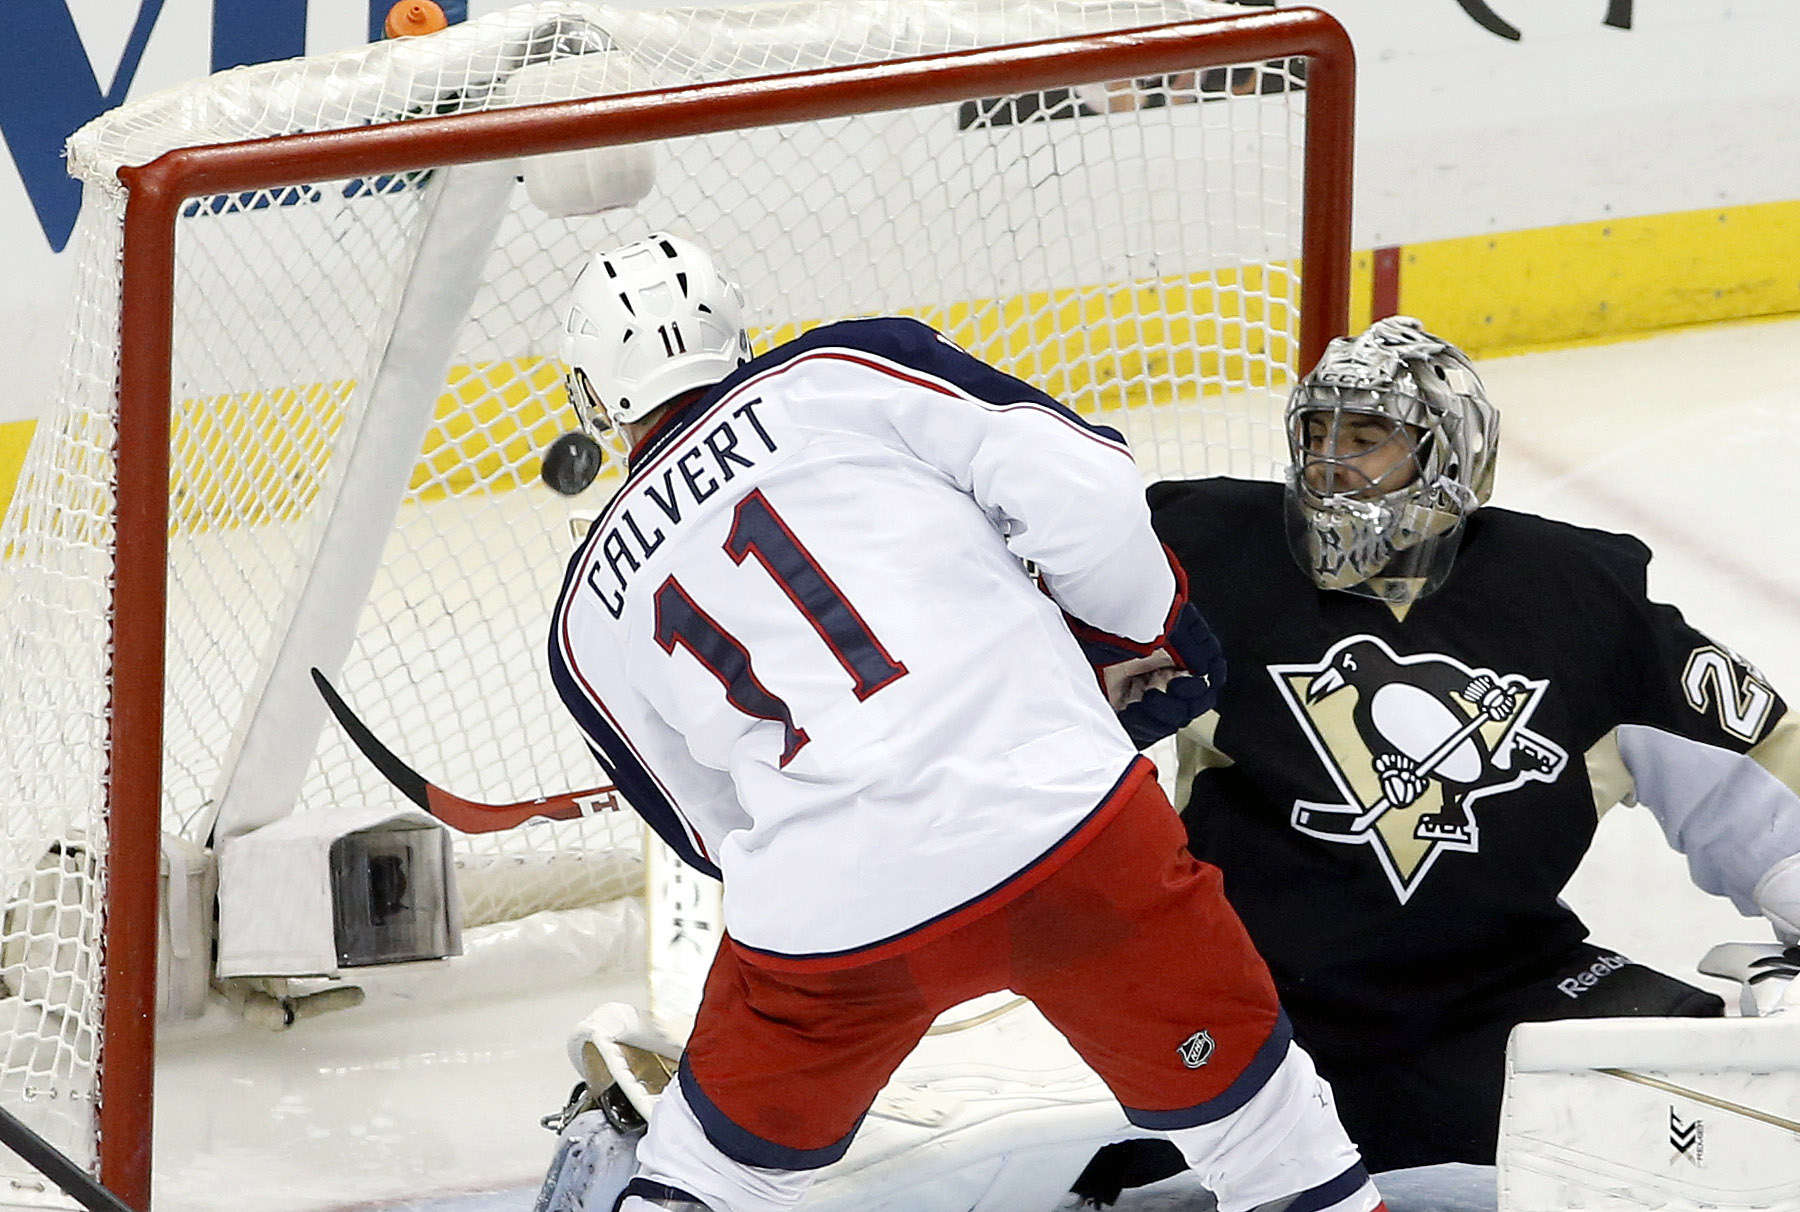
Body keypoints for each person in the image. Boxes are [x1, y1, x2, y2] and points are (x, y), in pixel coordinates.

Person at [545, 232, 1387, 1212]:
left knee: (712, 1172)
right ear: (737, 328)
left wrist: (852, 837)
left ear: (596, 397)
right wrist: (1131, 638)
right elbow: (1092, 499)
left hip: (832, 923)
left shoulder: (585, 614)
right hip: (1072, 837)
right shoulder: (844, 370)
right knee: (1262, 1132)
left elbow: (709, 833)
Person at [1116, 314, 1800, 1179]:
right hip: (1265, 1006)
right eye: (1314, 432)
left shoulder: (1570, 596)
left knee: (1749, 1123)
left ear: (1449, 451)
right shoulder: (1206, 555)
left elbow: (1746, 773)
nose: (1328, 460)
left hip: (1499, 984)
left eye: (1366, 437)